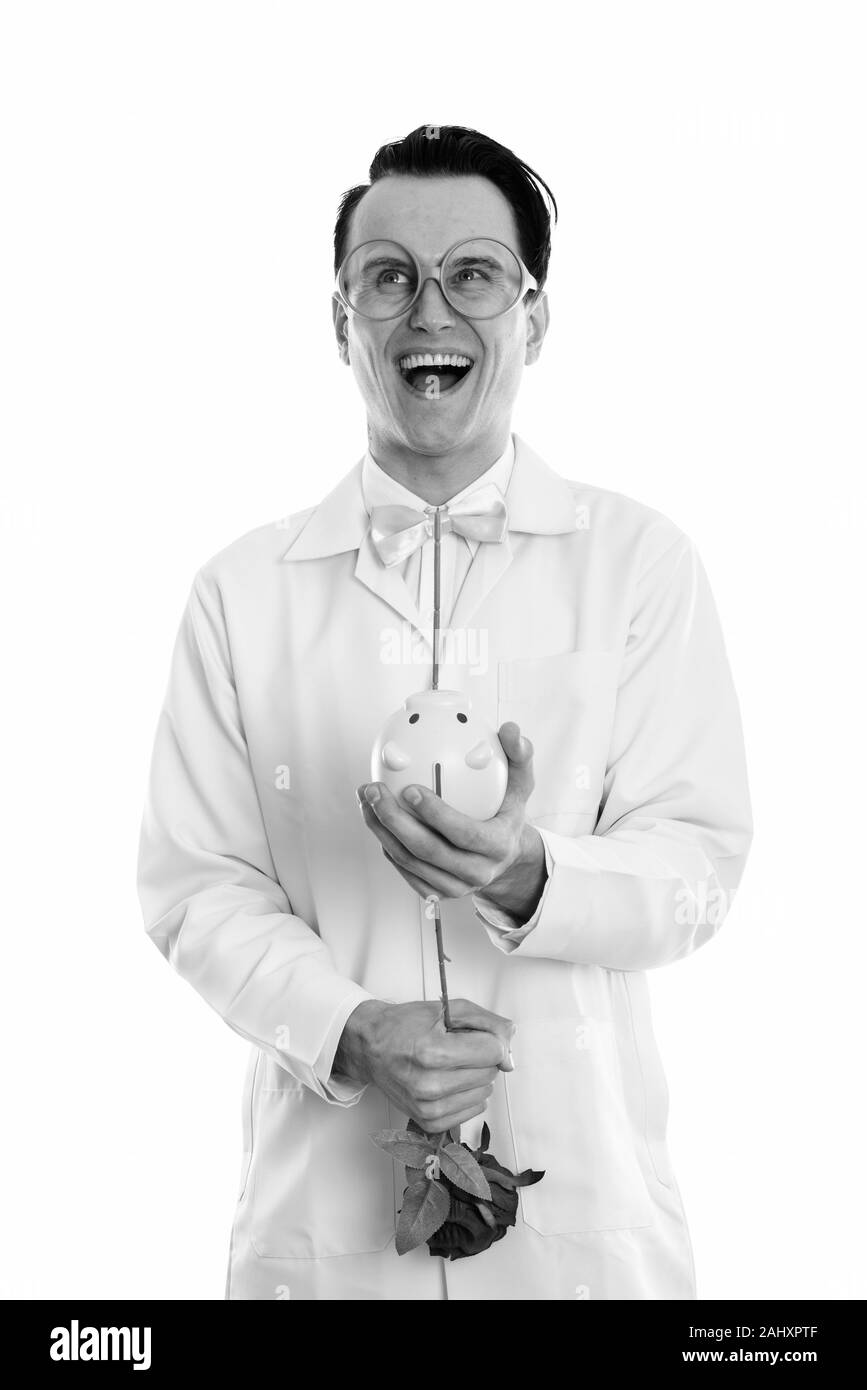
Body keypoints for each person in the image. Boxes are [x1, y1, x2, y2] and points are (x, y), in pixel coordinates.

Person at [137, 124, 752, 1301]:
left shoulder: (641, 565)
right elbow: (193, 885)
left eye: (472, 274)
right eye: (389, 279)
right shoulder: (239, 594)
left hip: (585, 1235)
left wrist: (529, 875)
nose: (430, 313)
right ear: (340, 321)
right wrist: (351, 1025)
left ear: (535, 314)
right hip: (322, 1245)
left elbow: (702, 866)